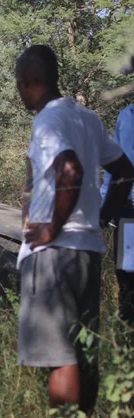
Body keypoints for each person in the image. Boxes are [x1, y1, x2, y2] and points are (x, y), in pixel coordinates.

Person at [15, 44, 134, 418]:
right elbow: (124, 171)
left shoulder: (47, 121)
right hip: (86, 250)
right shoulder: (87, 118)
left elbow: (70, 169)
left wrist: (51, 229)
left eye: (19, 83)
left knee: (60, 357)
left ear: (28, 82)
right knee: (83, 352)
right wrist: (100, 218)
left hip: (54, 254)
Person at [101, 104, 134, 337]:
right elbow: (114, 170)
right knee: (128, 284)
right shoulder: (126, 116)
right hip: (128, 215)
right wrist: (106, 210)